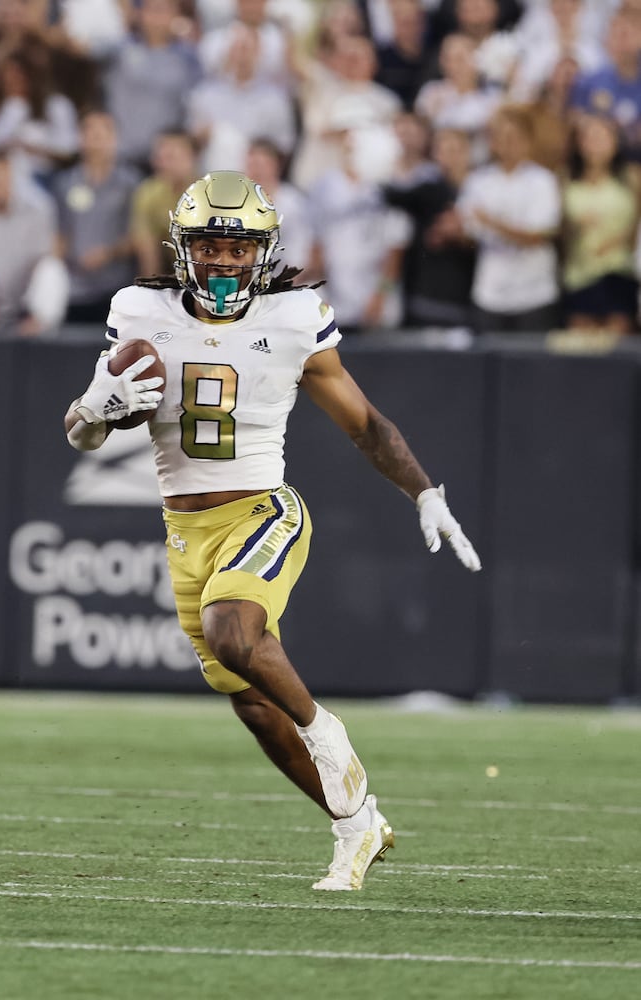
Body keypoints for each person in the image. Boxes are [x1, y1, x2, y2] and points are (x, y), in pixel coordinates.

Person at [62, 171, 482, 891]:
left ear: (262, 251)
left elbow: (366, 425)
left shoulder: (292, 318)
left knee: (232, 630)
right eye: (211, 245)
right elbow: (82, 437)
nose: (224, 261)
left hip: (264, 510)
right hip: (184, 530)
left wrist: (424, 493)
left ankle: (327, 733)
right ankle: (358, 825)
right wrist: (95, 406)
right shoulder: (139, 311)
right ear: (183, 248)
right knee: (254, 705)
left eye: (238, 247)